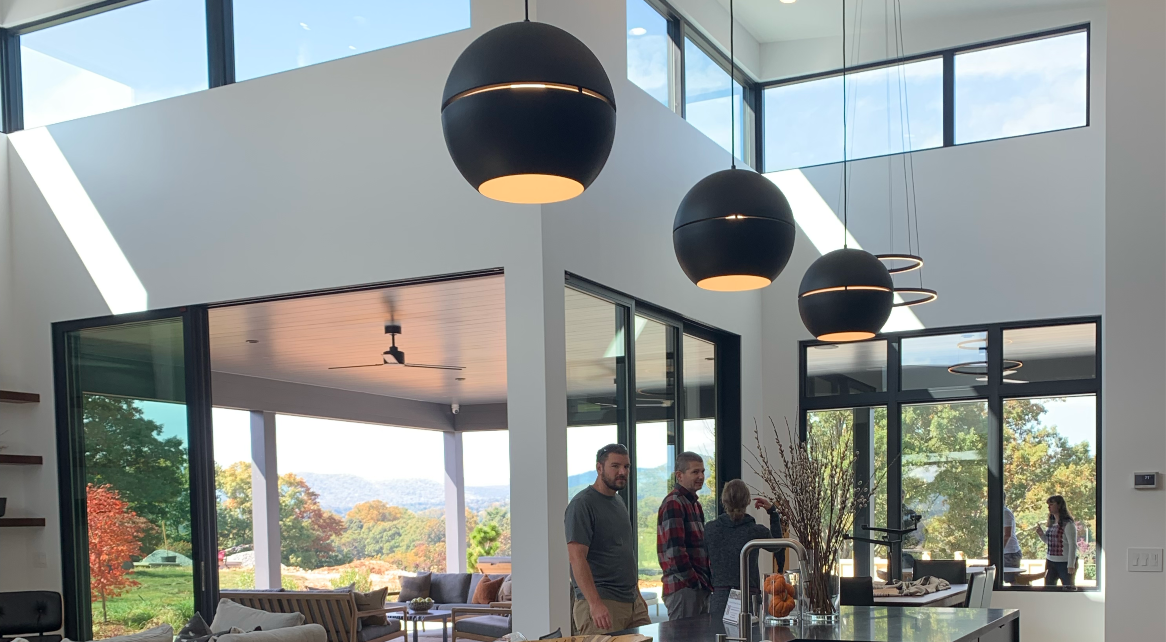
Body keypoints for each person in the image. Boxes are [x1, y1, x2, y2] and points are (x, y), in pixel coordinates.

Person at [565, 443, 650, 634]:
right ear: (599, 468)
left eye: (626, 466)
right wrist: (595, 604)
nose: (622, 471)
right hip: (602, 603)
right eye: (615, 466)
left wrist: (636, 594)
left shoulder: (618, 502)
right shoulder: (582, 504)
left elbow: (623, 553)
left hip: (632, 602)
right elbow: (576, 558)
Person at [703, 479, 783, 621]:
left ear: (723, 500)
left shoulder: (710, 529)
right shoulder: (755, 531)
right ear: (747, 501)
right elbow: (777, 546)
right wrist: (773, 513)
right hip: (748, 598)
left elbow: (703, 561)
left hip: (719, 598)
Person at [657, 452, 712, 620]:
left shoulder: (696, 505)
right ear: (679, 475)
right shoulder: (674, 503)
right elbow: (675, 553)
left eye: (702, 471)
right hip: (684, 589)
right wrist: (694, 583)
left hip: (696, 588)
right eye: (695, 472)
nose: (701, 476)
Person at [1035, 495, 1077, 586]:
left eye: (1051, 504)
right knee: (1049, 588)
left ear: (1059, 505)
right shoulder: (1052, 523)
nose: (1049, 507)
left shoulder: (1068, 524)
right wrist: (1041, 534)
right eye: (1048, 505)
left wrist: (1071, 564)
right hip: (1050, 561)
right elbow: (1050, 543)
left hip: (1064, 562)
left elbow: (1072, 545)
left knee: (1068, 587)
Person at [1002, 506, 1022, 582]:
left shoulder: (1005, 513)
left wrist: (998, 551)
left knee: (1013, 582)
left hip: (1010, 553)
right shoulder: (1000, 513)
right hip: (1006, 552)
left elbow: (1007, 535)